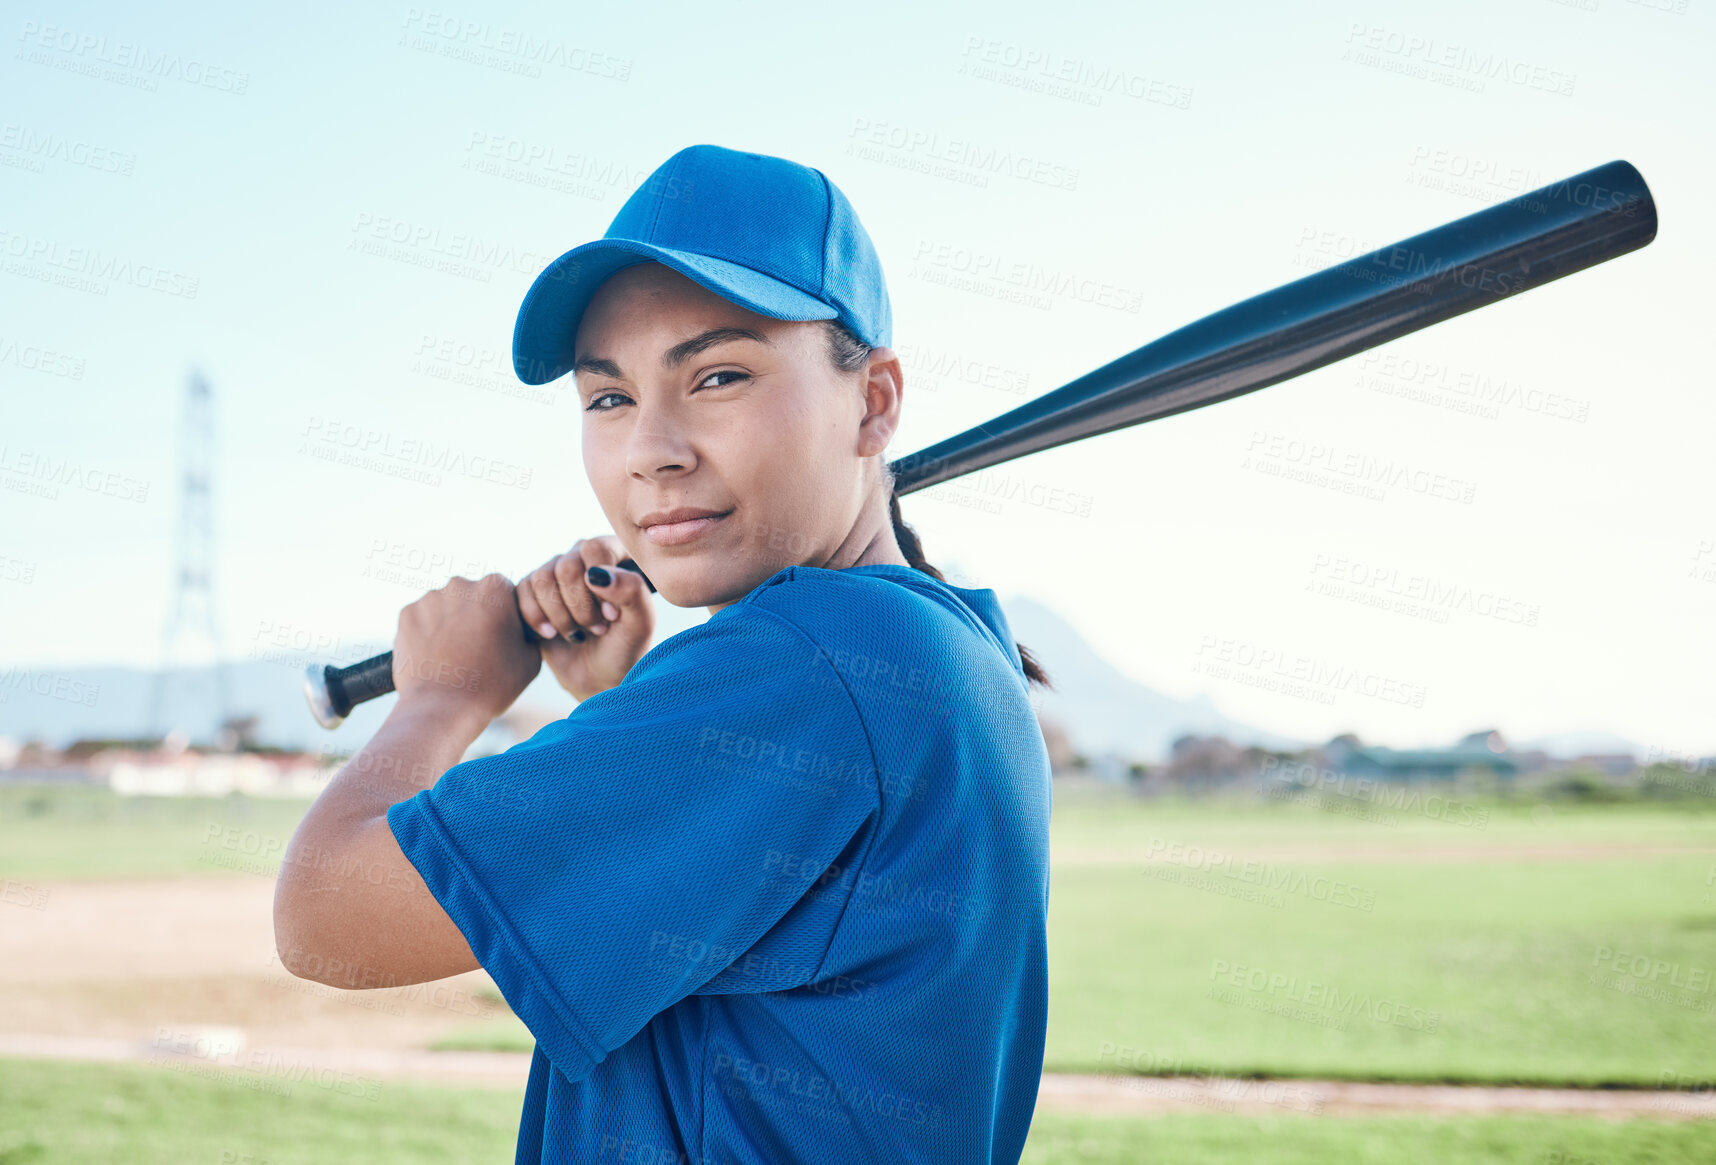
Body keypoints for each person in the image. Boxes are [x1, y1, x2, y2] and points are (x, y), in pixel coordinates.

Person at [274, 143, 1054, 1164]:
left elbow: (326, 915)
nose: (652, 448)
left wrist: (442, 698)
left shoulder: (811, 666)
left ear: (873, 402)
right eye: (608, 398)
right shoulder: (945, 646)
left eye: (719, 375)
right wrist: (616, 706)